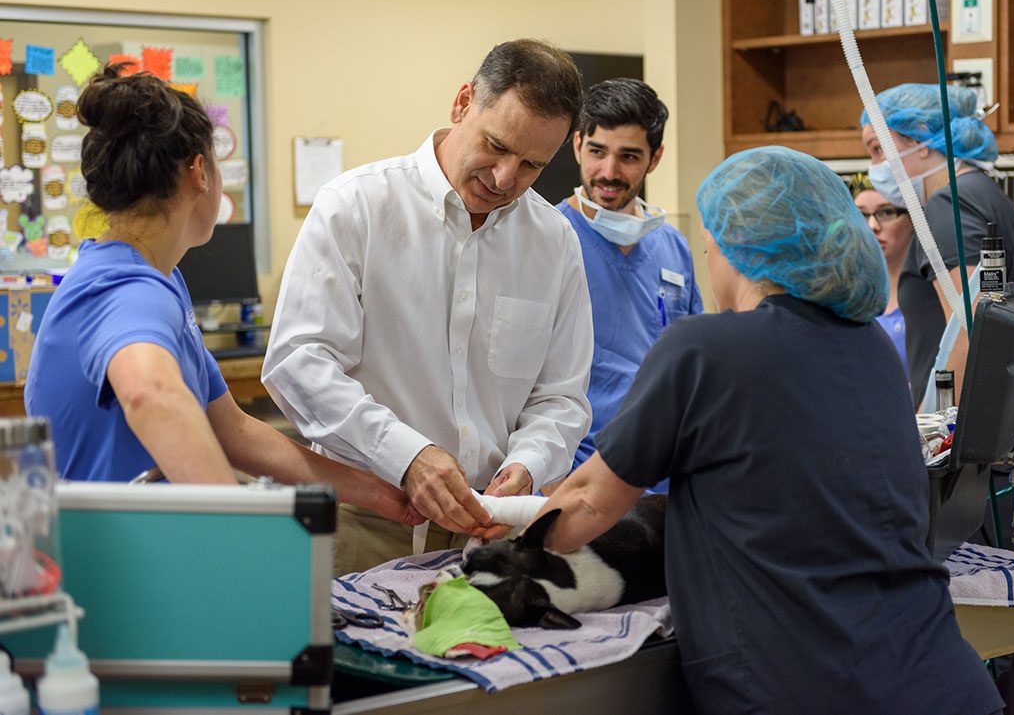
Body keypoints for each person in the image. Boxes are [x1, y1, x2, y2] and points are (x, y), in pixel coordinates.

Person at [532, 147, 1003, 715]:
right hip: (938, 681)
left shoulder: (703, 349)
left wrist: (505, 551)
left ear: (733, 249)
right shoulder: (872, 344)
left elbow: (586, 503)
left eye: (709, 242)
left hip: (801, 687)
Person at [24, 65, 423, 529]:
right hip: (111, 570)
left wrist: (376, 491)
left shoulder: (159, 279)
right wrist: (239, 533)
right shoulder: (125, 287)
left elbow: (233, 433)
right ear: (199, 172)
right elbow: (151, 393)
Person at [262, 39, 593, 574]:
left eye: (532, 165)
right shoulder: (357, 207)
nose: (506, 179)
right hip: (368, 522)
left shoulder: (554, 240)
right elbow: (299, 363)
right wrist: (408, 457)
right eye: (497, 146)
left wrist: (528, 465)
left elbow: (561, 397)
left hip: (495, 533)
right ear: (463, 103)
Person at [861, 83, 1014, 406]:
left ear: (919, 139)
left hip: (962, 429)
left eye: (878, 149)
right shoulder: (981, 192)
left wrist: (934, 431)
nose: (875, 166)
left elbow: (970, 329)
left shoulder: (948, 206)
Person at [557, 78, 703, 492]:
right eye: (597, 152)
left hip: (660, 475)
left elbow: (690, 361)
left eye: (629, 157)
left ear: (655, 158)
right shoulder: (548, 239)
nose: (608, 172)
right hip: (572, 474)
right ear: (576, 145)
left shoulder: (672, 247)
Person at [849, 172, 913, 374]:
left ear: (913, 218)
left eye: (886, 212)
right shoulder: (843, 294)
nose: (872, 226)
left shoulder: (929, 296)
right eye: (861, 215)